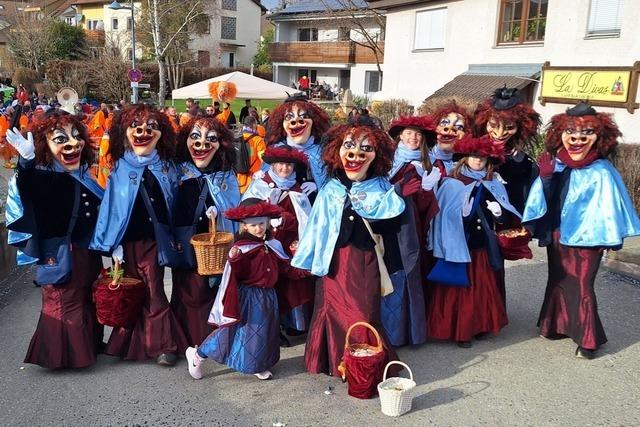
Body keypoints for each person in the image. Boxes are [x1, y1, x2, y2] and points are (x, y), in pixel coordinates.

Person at [291, 119, 417, 376]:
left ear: (377, 155)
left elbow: (390, 223)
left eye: (365, 148)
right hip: (334, 261)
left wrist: (399, 196)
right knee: (333, 309)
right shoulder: (331, 189)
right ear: (337, 150)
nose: (356, 153)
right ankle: (335, 361)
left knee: (364, 310)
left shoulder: (382, 187)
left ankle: (364, 364)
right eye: (349, 145)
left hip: (364, 259)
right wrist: (307, 256)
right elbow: (318, 225)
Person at [523, 102, 640, 359]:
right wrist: (545, 178)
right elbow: (547, 201)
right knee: (559, 280)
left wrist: (610, 238)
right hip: (558, 235)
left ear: (599, 137)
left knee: (583, 285)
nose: (577, 139)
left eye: (586, 133)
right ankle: (555, 325)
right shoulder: (558, 165)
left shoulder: (602, 172)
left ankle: (589, 340)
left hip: (589, 240)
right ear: (559, 134)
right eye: (571, 133)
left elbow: (610, 209)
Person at [90, 104, 188, 366]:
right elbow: (112, 207)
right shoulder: (120, 167)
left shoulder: (166, 167)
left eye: (151, 127)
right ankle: (130, 345)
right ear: (125, 132)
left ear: (161, 133)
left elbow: (175, 202)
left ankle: (165, 345)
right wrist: (113, 246)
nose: (143, 131)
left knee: (154, 290)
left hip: (154, 242)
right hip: (127, 243)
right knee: (131, 292)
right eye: (135, 126)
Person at [5, 112, 105, 369]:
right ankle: (63, 355)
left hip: (87, 250)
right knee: (63, 300)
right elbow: (25, 185)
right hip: (60, 250)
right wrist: (26, 162)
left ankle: (90, 344)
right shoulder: (42, 176)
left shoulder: (82, 175)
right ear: (44, 145)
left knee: (85, 297)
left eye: (76, 136)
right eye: (61, 139)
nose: (72, 144)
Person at [185, 199, 310, 381]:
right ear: (244, 226)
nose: (258, 228)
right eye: (253, 225)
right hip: (248, 296)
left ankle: (257, 364)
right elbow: (234, 274)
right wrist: (235, 260)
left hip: (268, 296)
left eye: (261, 223)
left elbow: (285, 268)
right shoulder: (241, 249)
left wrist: (306, 270)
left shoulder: (272, 244)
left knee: (265, 332)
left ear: (268, 222)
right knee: (235, 330)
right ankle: (198, 355)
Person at [427, 134, 520, 348]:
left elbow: (506, 216)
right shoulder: (452, 183)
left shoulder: (493, 183)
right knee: (460, 289)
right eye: (473, 156)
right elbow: (442, 217)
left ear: (489, 161)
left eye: (483, 157)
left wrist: (498, 214)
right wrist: (462, 214)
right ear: (465, 157)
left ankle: (479, 326)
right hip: (459, 245)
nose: (478, 160)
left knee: (481, 289)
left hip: (481, 246)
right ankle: (462, 331)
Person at [171, 117, 240, 345]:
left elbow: (232, 208)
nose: (202, 145)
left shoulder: (225, 175)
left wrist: (218, 213)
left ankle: (211, 339)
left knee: (210, 289)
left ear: (221, 144)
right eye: (195, 137)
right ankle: (186, 338)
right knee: (186, 289)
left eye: (211, 139)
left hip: (214, 242)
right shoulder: (178, 170)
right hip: (185, 239)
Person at [242, 146, 314, 346]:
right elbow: (246, 212)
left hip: (289, 244)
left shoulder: (298, 188)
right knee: (269, 284)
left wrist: (287, 221)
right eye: (280, 164)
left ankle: (292, 323)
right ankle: (273, 328)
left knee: (291, 284)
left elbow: (305, 219)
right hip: (264, 244)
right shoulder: (259, 185)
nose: (284, 168)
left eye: (289, 164)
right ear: (272, 164)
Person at [383, 115, 441, 346]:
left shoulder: (429, 165)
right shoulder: (386, 160)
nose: (413, 138)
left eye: (418, 134)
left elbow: (429, 207)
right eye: (409, 133)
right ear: (400, 135)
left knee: (409, 274)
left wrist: (427, 191)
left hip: (411, 228)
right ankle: (386, 328)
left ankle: (407, 330)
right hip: (386, 224)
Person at [473, 87, 541, 214]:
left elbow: (529, 204)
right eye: (493, 125)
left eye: (509, 127)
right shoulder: (470, 154)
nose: (500, 133)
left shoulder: (525, 164)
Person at [266, 93, 331, 192]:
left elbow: (333, 183)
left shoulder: (323, 151)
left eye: (304, 116)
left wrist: (317, 185)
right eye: (289, 117)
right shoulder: (276, 150)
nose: (296, 120)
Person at [429, 102, 472, 178]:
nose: (450, 128)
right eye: (444, 123)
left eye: (459, 127)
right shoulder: (420, 159)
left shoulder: (471, 166)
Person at [236, 116, 267, 193]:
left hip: (238, 178)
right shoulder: (258, 140)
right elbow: (264, 159)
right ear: (253, 125)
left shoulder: (238, 138)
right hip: (253, 179)